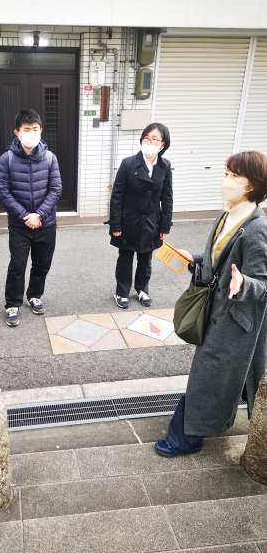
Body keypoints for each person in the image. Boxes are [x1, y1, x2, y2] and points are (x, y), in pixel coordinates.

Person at [155, 151, 267, 457]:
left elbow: (262, 283)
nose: (226, 180)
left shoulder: (257, 229)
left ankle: (187, 437)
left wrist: (244, 284)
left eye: (234, 176)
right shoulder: (228, 214)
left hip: (234, 320)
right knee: (225, 375)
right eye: (226, 173)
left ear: (252, 184)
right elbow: (218, 259)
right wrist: (194, 259)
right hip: (216, 309)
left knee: (207, 374)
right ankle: (221, 417)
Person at [0, 108, 62, 327]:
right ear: (17, 132)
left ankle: (34, 295)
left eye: (35, 129)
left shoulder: (50, 158)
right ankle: (12, 303)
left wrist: (39, 215)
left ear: (41, 130)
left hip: (46, 223)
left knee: (42, 263)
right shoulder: (7, 159)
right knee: (17, 264)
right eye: (27, 129)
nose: (31, 133)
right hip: (19, 224)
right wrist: (26, 216)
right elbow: (3, 191)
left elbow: (55, 189)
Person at [109, 123, 173, 309]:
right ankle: (122, 292)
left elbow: (167, 198)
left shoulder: (165, 166)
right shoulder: (128, 164)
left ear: (162, 144)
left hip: (152, 222)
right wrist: (115, 225)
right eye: (146, 138)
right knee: (125, 258)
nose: (150, 142)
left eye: (154, 139)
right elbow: (117, 196)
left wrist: (165, 225)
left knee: (146, 259)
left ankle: (142, 289)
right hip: (129, 221)